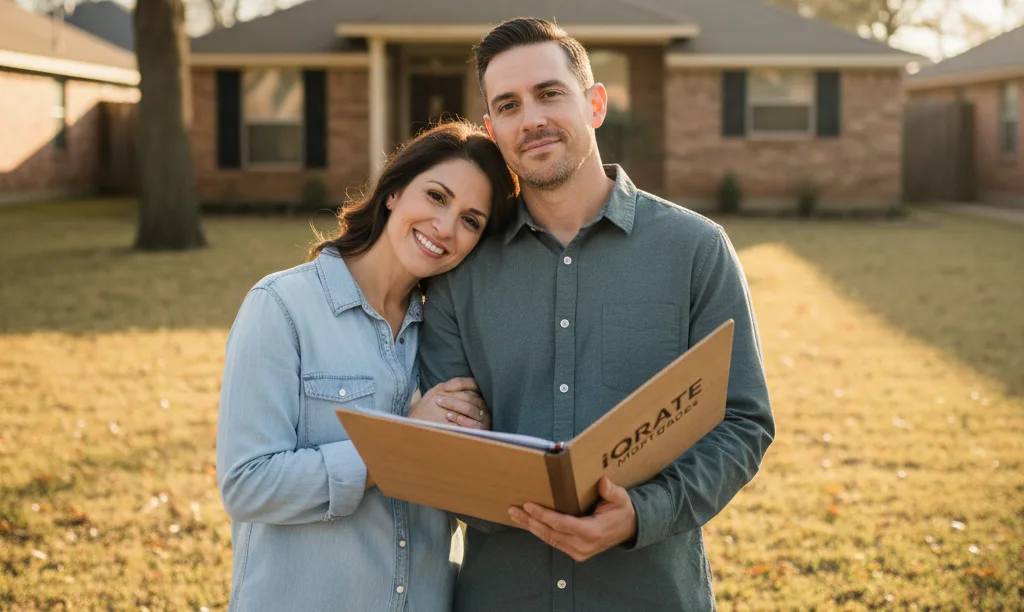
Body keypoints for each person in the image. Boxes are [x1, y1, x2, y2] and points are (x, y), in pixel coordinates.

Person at [419, 18, 775, 611]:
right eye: (508, 105)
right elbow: (444, 441)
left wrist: (641, 513)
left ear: (595, 103)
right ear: (493, 129)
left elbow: (742, 422)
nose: (531, 118)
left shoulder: (695, 250)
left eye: (549, 93)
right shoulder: (462, 270)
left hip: (649, 593)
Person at [216, 120, 518, 612]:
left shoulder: (450, 336)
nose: (445, 227)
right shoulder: (282, 306)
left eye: (471, 221)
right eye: (437, 197)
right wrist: (401, 444)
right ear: (394, 190)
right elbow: (248, 484)